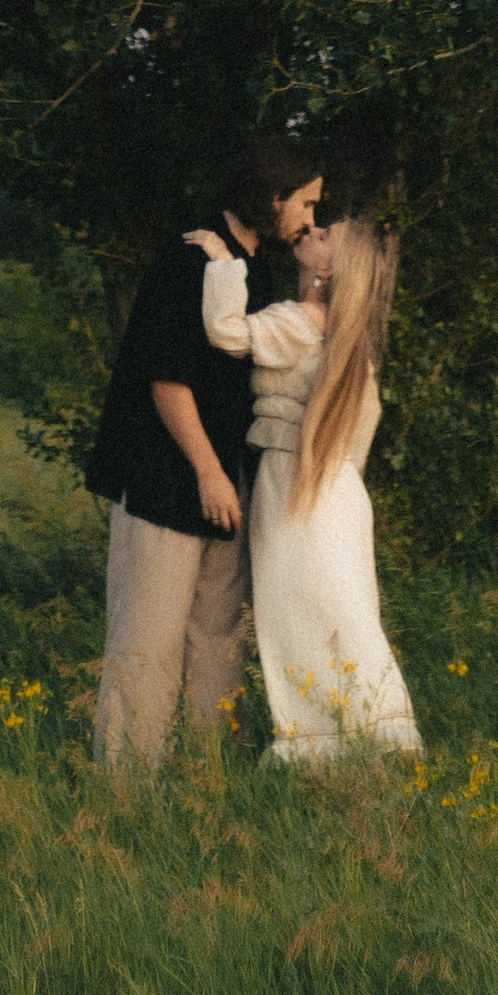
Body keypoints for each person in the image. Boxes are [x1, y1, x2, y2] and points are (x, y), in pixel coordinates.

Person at [84, 135, 323, 765]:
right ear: (272, 197)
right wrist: (208, 473)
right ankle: (127, 789)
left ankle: (211, 773)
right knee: (148, 639)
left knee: (218, 636)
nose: (310, 219)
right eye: (305, 203)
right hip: (168, 476)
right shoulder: (188, 256)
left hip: (231, 480)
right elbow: (166, 379)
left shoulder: (262, 268)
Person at [187, 210, 421, 762]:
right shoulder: (345, 336)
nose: (311, 231)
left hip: (295, 481)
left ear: (329, 271)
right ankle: (370, 740)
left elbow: (226, 332)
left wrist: (222, 265)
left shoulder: (300, 320)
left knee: (296, 612)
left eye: (324, 237)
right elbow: (368, 417)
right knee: (343, 610)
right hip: (334, 490)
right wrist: (338, 488)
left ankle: (319, 747)